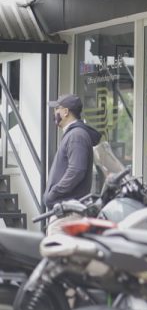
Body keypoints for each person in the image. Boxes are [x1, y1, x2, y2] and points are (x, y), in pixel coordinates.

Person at [44, 94, 102, 234]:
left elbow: (76, 170)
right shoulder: (74, 134)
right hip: (66, 211)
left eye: (56, 109)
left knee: (56, 246)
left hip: (69, 213)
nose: (54, 113)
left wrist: (54, 193)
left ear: (65, 112)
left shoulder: (76, 135)